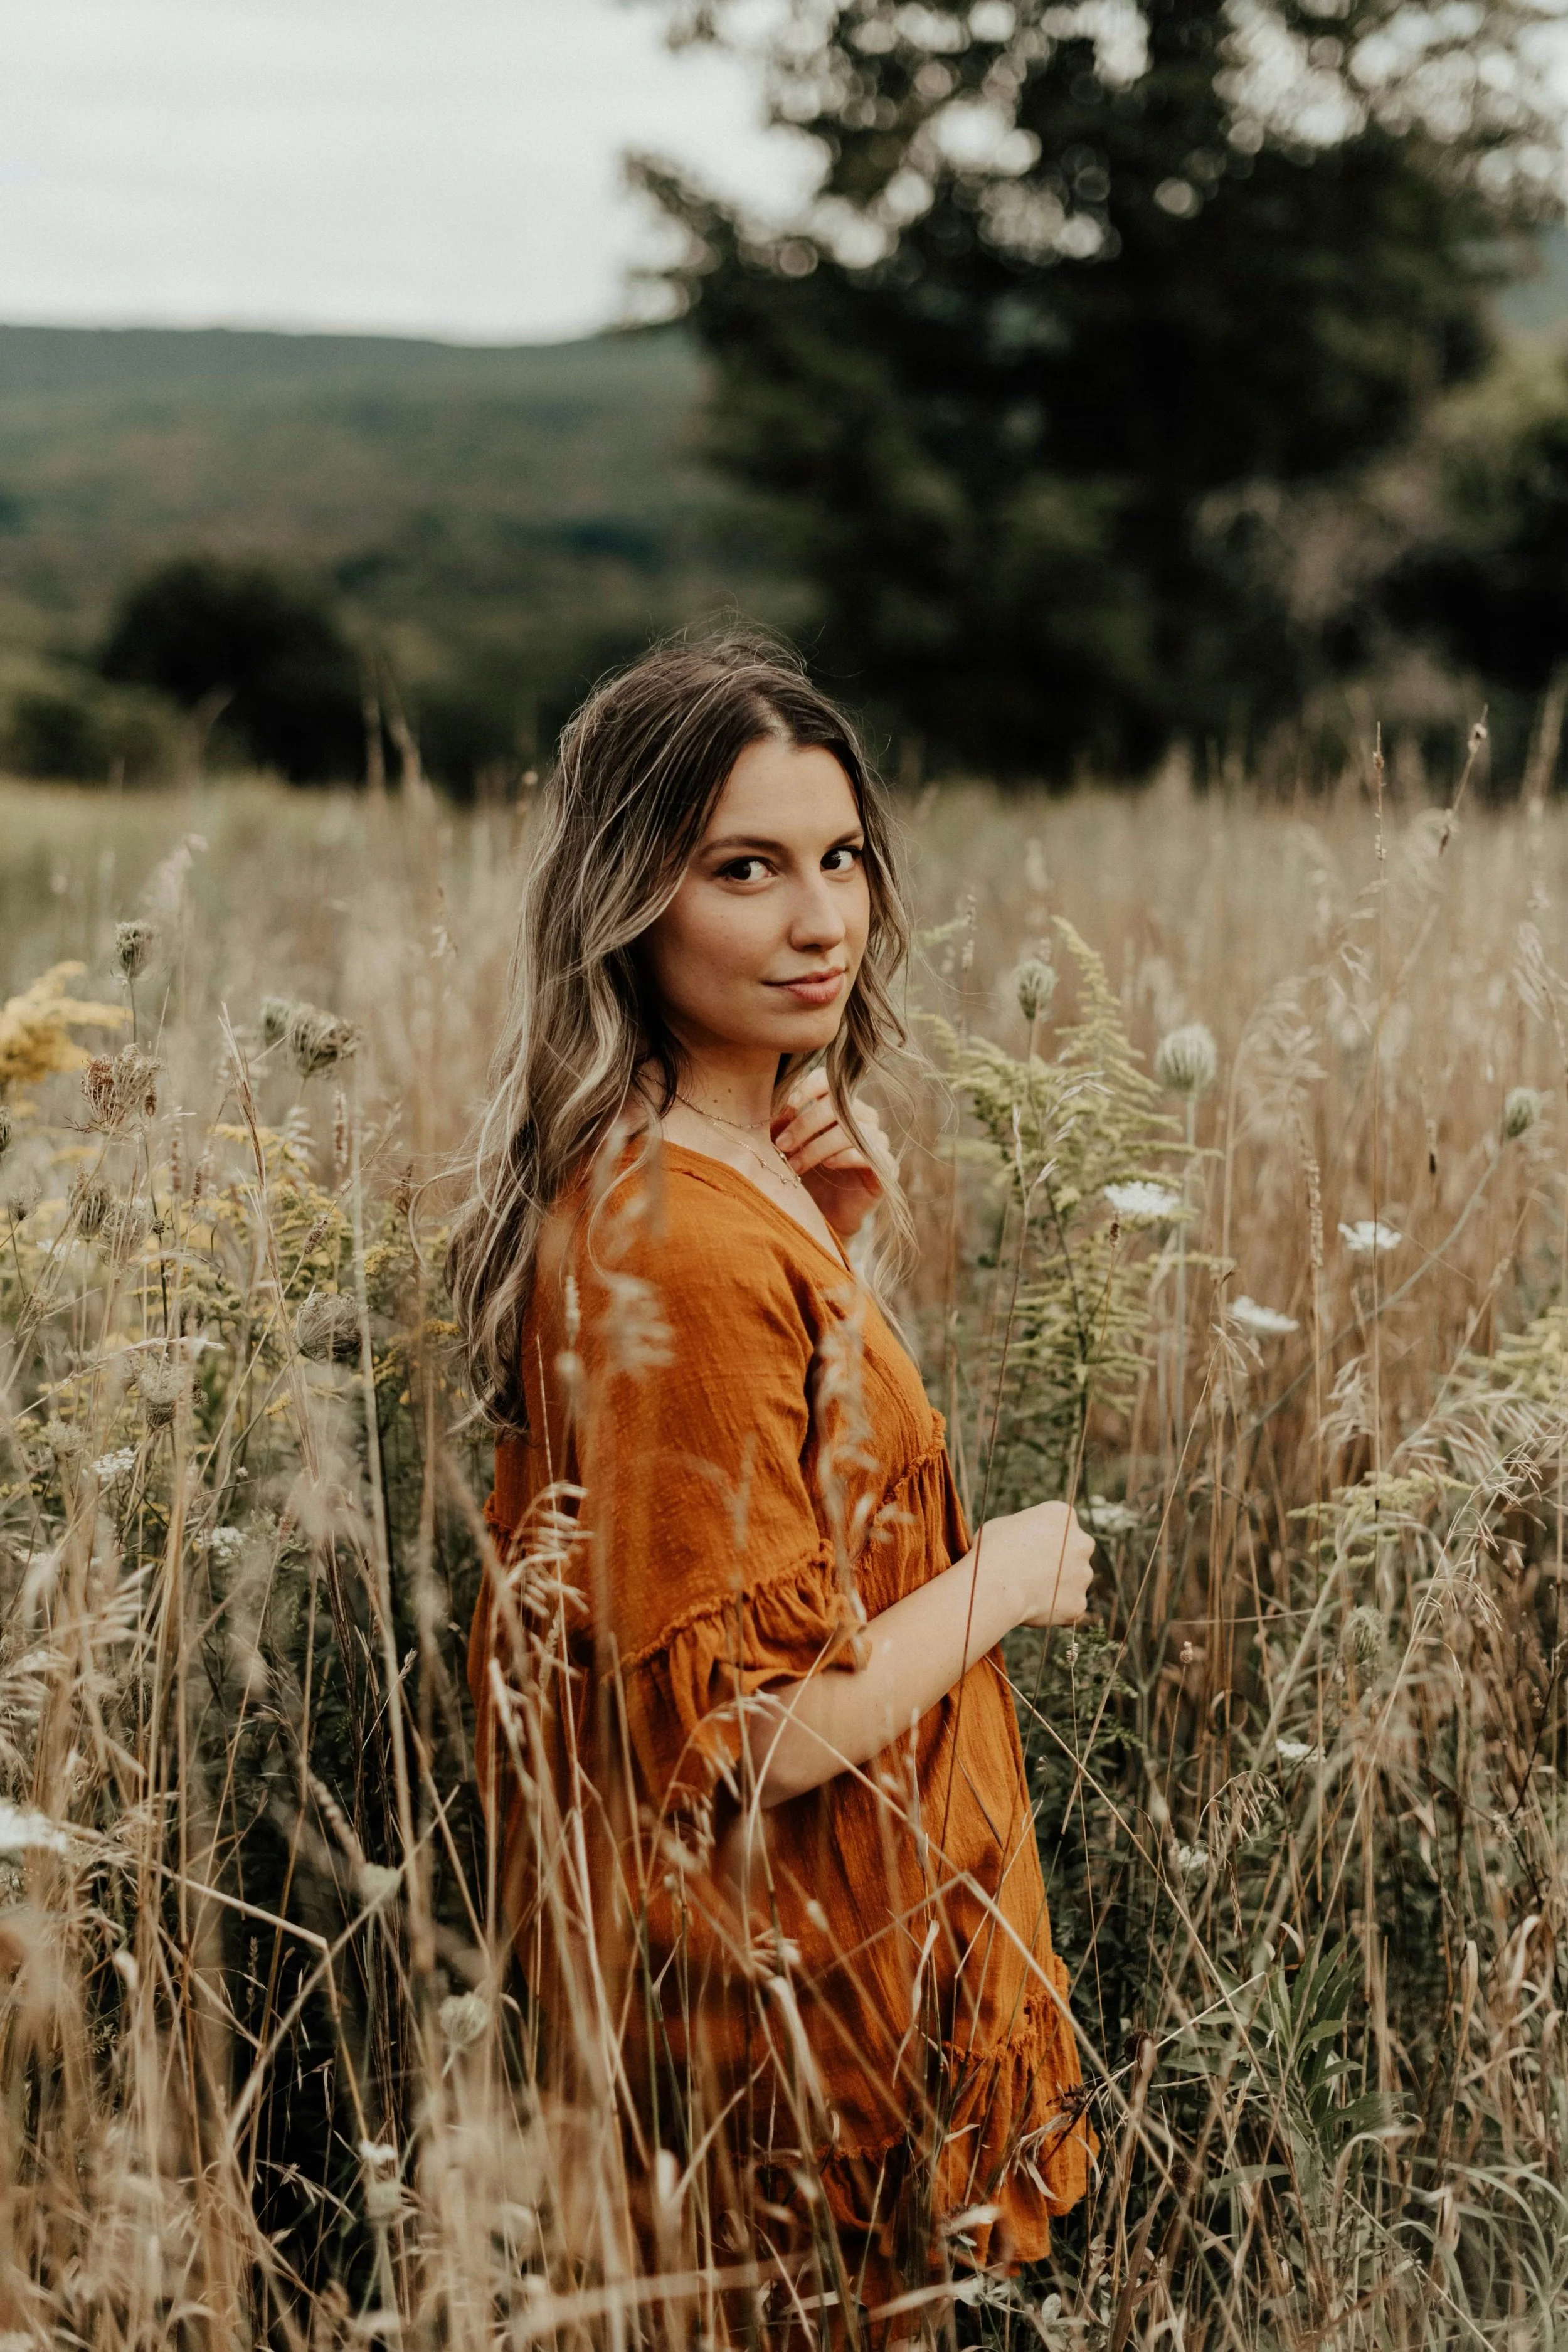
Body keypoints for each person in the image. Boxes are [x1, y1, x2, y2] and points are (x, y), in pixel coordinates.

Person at [450, 635, 1098, 2345]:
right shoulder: (678, 1228)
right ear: (630, 897)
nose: (818, 920)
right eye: (744, 868)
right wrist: (1011, 1571)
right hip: (778, 2040)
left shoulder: (732, 1172)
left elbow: (778, 1510)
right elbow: (742, 1732)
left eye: (839, 858)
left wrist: (839, 1244)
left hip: (834, 1985)